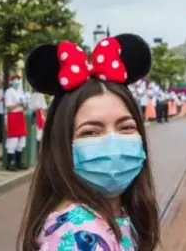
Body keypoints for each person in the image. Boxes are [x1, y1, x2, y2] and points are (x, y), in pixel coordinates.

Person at [18, 33, 160, 251]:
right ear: (62, 144)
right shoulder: (78, 234)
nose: (113, 142)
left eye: (126, 127)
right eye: (92, 132)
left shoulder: (118, 215)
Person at [4, 75, 28, 171]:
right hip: (13, 116)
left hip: (20, 115)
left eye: (18, 79)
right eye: (14, 80)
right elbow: (9, 108)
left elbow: (25, 107)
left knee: (21, 141)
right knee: (12, 141)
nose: (16, 81)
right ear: (11, 81)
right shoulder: (9, 92)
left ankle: (19, 162)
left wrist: (25, 103)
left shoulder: (21, 91)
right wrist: (18, 103)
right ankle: (11, 163)